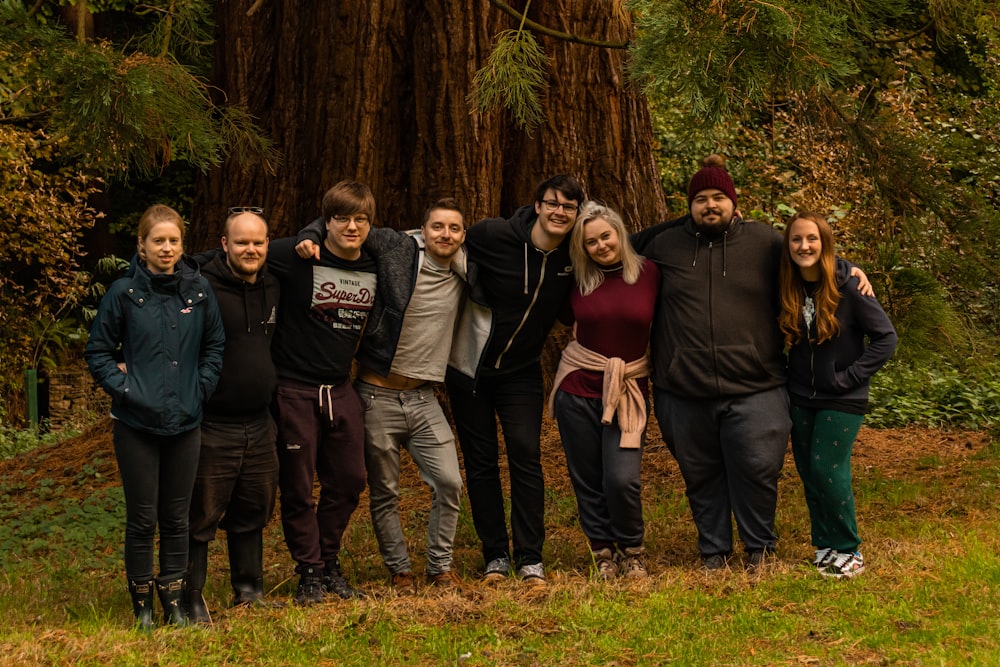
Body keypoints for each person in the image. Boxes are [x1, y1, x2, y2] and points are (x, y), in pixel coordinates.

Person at [633, 155, 872, 571]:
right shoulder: (663, 247)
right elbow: (618, 245)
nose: (711, 205)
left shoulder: (764, 243)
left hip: (757, 385)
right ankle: (714, 552)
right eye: (701, 199)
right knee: (700, 474)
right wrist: (673, 224)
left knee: (758, 470)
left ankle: (759, 548)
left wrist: (850, 269)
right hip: (683, 389)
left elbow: (810, 257)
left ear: (734, 202)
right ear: (688, 205)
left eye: (719, 198)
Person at [295, 199, 470, 592]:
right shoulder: (398, 248)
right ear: (421, 231)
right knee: (385, 490)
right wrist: (309, 235)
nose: (445, 235)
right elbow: (342, 220)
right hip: (376, 395)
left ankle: (440, 568)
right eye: (437, 227)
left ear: (463, 235)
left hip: (424, 398)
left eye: (454, 228)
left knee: (450, 482)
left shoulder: (467, 267)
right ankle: (400, 571)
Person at [85, 204, 225, 629]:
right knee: (143, 518)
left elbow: (214, 347)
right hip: (136, 426)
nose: (167, 249)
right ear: (142, 246)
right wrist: (128, 389)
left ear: (183, 245)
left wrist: (200, 389)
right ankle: (143, 605)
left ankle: (175, 602)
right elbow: (97, 352)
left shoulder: (199, 293)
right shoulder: (123, 293)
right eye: (158, 241)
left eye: (174, 241)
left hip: (186, 423)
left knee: (177, 517)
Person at [445, 175, 586, 586]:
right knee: (481, 461)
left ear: (577, 214)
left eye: (569, 206)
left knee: (526, 455)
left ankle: (529, 558)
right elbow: (433, 240)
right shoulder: (493, 234)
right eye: (552, 203)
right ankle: (494, 556)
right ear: (538, 205)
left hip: (521, 373)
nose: (560, 211)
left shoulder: (572, 256)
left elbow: (633, 243)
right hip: (469, 370)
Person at [267, 181, 377, 604]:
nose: (352, 226)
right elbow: (244, 252)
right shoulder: (295, 257)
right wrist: (306, 236)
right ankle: (309, 571)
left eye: (360, 219)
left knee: (350, 481)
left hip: (342, 388)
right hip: (294, 389)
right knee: (297, 486)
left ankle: (328, 561)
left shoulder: (375, 262)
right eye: (341, 219)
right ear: (325, 221)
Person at [780, 211, 897, 579]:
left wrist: (851, 376)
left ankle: (850, 549)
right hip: (800, 394)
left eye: (812, 238)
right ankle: (826, 545)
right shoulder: (787, 286)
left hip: (843, 396)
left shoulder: (848, 286)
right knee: (808, 472)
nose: (804, 246)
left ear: (824, 242)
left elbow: (886, 339)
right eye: (797, 239)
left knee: (827, 468)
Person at [548, 202, 660, 580]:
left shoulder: (650, 274)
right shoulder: (575, 280)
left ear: (620, 233)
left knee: (622, 478)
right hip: (578, 387)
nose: (600, 246)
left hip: (628, 388)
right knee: (588, 476)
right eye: (590, 242)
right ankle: (603, 551)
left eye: (605, 236)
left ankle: (633, 549)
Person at [184, 208, 280, 624]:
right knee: (201, 513)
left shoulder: (275, 283)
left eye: (258, 242)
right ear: (223, 244)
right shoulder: (200, 286)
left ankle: (249, 589)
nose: (251, 249)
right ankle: (190, 597)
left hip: (260, 423)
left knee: (253, 508)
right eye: (241, 242)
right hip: (212, 423)